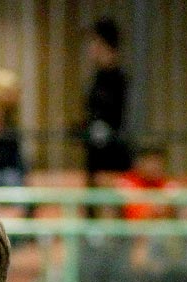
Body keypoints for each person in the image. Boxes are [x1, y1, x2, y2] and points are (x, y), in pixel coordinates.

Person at [82, 17, 131, 185]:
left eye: (93, 42)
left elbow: (117, 120)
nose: (89, 48)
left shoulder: (119, 80)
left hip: (112, 158)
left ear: (104, 44)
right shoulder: (96, 78)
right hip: (95, 156)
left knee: (108, 205)